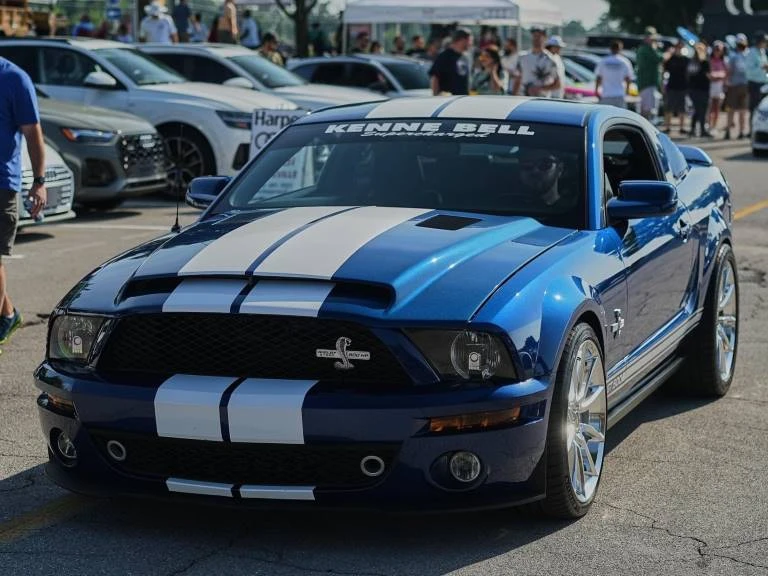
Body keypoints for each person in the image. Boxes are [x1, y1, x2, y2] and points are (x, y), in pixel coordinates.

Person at [0, 57, 47, 348]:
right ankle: (8, 314)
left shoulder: (14, 78)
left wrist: (39, 181)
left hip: (1, 184)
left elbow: (33, 133)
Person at [512, 26, 560, 97]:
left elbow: (558, 84)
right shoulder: (522, 57)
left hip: (542, 100)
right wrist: (514, 96)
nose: (536, 39)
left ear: (545, 38)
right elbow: (517, 80)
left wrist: (540, 88)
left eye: (539, 36)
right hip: (523, 98)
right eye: (534, 36)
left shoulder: (550, 60)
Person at [428, 27, 472, 96]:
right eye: (469, 41)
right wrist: (436, 97)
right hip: (449, 99)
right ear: (461, 40)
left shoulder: (465, 57)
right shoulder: (444, 56)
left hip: (463, 98)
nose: (470, 44)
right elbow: (435, 78)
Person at [636, 27, 665, 119]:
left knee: (647, 110)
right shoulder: (647, 49)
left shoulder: (644, 49)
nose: (654, 40)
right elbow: (660, 58)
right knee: (649, 111)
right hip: (648, 84)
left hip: (646, 84)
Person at [725, 33, 750, 140]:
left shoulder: (734, 56)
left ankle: (735, 131)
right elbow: (729, 71)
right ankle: (735, 132)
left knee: (738, 110)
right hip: (739, 86)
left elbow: (729, 71)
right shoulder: (738, 56)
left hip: (738, 85)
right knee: (737, 110)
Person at [595, 39, 634, 108]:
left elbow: (599, 77)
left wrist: (596, 90)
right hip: (619, 94)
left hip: (606, 94)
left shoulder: (603, 61)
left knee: (606, 114)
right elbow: (628, 79)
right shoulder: (625, 61)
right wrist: (627, 91)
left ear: (610, 48)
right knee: (620, 114)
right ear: (620, 49)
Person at [663, 41, 690, 134]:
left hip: (683, 87)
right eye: (678, 47)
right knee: (669, 108)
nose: (679, 49)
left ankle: (682, 127)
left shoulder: (686, 60)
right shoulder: (671, 59)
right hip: (671, 86)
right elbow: (664, 67)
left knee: (682, 108)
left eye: (681, 47)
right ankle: (667, 127)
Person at [687, 42, 712, 137]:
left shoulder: (692, 62)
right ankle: (702, 130)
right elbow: (708, 75)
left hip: (694, 89)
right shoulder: (704, 62)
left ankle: (693, 129)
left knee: (697, 110)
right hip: (701, 89)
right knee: (701, 110)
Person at [746, 31, 768, 132]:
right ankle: (753, 130)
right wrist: (762, 68)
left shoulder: (762, 52)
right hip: (755, 85)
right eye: (764, 41)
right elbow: (749, 72)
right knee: (754, 108)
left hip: (764, 85)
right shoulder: (751, 53)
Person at [708, 40, 728, 133]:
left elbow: (726, 73)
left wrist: (718, 76)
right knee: (710, 107)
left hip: (719, 87)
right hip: (711, 86)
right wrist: (718, 75)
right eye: (716, 49)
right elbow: (710, 74)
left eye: (719, 50)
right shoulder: (709, 60)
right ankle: (708, 125)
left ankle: (714, 126)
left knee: (717, 108)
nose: (717, 51)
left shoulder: (724, 61)